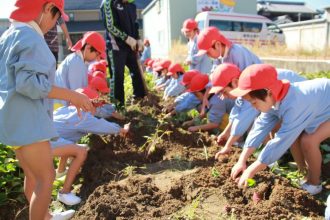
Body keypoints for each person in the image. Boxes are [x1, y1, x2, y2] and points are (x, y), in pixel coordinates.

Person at [0, 0, 95, 219]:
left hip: (12, 119)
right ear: (46, 8)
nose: (54, 23)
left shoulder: (8, 35)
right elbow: (29, 84)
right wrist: (72, 95)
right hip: (28, 119)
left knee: (33, 177)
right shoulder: (32, 38)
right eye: (56, 16)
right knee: (46, 177)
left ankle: (47, 216)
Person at [229, 64, 330, 195]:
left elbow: (281, 140)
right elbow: (259, 127)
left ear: (269, 92)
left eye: (254, 102)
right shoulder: (275, 100)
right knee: (297, 137)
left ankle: (314, 184)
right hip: (322, 108)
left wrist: (251, 170)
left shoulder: (295, 103)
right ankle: (304, 173)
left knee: (308, 141)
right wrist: (242, 160)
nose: (253, 107)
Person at [209, 64, 306, 157]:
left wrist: (228, 146)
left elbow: (242, 122)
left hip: (300, 102)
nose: (224, 97)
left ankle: (282, 154)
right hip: (284, 103)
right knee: (268, 123)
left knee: (278, 129)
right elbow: (237, 112)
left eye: (225, 92)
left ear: (235, 82)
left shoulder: (250, 88)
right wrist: (226, 133)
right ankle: (279, 154)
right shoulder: (244, 86)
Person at [196, 26, 262, 120]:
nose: (208, 55)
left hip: (256, 92)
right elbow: (213, 80)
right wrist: (205, 98)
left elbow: (247, 85)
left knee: (249, 119)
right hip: (245, 95)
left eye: (208, 52)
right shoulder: (219, 58)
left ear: (218, 45)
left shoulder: (236, 53)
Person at [101, 0, 147, 105]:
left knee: (137, 72)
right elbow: (110, 26)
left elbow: (135, 23)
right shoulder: (108, 3)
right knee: (118, 76)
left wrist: (138, 38)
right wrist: (126, 38)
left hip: (131, 46)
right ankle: (118, 104)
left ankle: (140, 99)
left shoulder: (131, 5)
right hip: (116, 46)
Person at [54, 31, 106, 107]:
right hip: (61, 108)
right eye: (97, 54)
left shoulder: (78, 60)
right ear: (88, 48)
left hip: (62, 106)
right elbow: (79, 94)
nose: (97, 59)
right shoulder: (76, 62)